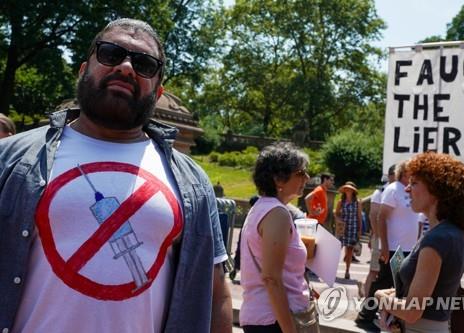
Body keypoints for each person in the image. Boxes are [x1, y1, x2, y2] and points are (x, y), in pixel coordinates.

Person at [0, 18, 232, 333]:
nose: (125, 67)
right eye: (110, 53)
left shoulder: (191, 182)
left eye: (144, 63)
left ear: (158, 89)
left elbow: (215, 291)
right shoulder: (11, 159)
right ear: (83, 70)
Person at [374, 152, 464, 333]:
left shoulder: (437, 238)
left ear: (436, 191)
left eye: (414, 183)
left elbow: (412, 311)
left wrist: (379, 296)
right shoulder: (452, 233)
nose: (407, 189)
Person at [240, 142, 319, 333]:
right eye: (300, 173)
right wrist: (289, 329)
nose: (307, 178)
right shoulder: (277, 213)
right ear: (278, 179)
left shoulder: (262, 208)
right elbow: (271, 278)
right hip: (274, 320)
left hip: (264, 316)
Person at [355, 161, 419, 332]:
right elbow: (381, 218)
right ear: (403, 173)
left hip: (407, 248)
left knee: (398, 285)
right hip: (394, 247)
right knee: (383, 281)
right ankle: (365, 316)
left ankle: (389, 319)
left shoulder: (410, 190)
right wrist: (384, 245)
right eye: (410, 172)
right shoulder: (393, 189)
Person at [364, 164, 396, 296]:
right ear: (389, 176)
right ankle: (368, 300)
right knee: (374, 271)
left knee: (387, 274)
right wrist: (377, 235)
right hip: (381, 238)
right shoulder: (381, 191)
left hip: (393, 239)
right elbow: (373, 215)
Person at [335, 181, 362, 280]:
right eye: (346, 189)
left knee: (350, 250)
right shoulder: (340, 202)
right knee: (337, 249)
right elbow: (336, 213)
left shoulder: (357, 202)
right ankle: (332, 269)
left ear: (353, 191)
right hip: (343, 228)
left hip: (353, 227)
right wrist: (339, 220)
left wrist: (360, 230)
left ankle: (347, 270)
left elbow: (359, 216)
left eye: (349, 189)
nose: (348, 190)